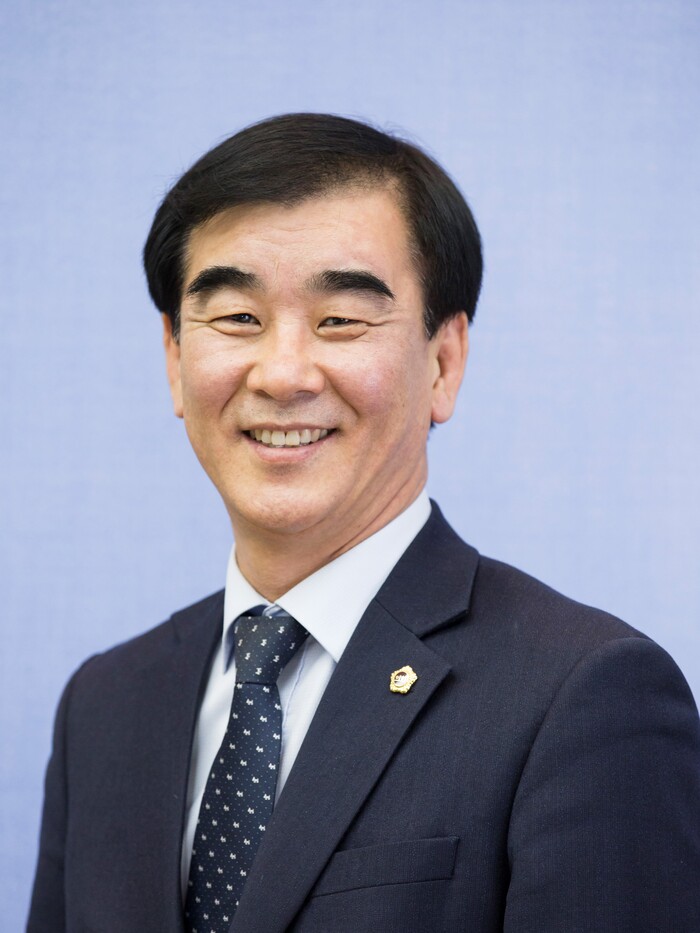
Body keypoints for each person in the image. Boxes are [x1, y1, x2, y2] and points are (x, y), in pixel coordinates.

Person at [28, 113, 700, 933]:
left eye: (340, 319)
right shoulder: (104, 705)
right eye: (236, 317)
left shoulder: (582, 696)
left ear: (444, 363)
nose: (282, 374)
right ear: (174, 357)